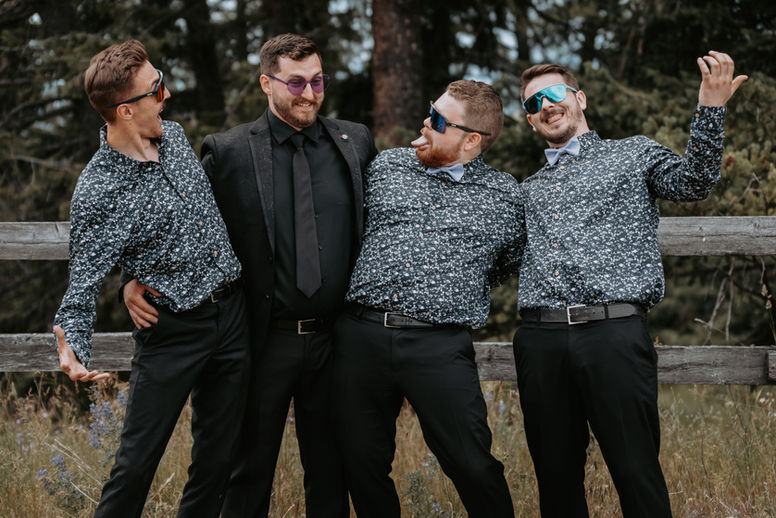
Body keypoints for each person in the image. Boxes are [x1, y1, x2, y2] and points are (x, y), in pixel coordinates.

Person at [122, 33, 376, 517]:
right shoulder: (230, 150)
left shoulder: (355, 141)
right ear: (266, 83)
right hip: (262, 340)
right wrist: (131, 276)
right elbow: (176, 217)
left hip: (335, 341)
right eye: (296, 83)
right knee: (248, 471)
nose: (310, 93)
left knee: (331, 471)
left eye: (318, 81)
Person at [513, 51, 747, 517]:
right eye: (533, 102)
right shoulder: (527, 189)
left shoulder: (632, 153)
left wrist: (710, 108)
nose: (546, 105)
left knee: (635, 471)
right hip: (540, 339)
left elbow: (694, 183)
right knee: (555, 478)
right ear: (532, 122)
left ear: (579, 98)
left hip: (612, 333)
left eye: (554, 93)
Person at [52, 39, 251, 518]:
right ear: (125, 110)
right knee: (136, 463)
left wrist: (131, 277)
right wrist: (72, 346)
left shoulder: (174, 137)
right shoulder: (99, 190)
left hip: (231, 317)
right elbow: (82, 284)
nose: (168, 95)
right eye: (157, 88)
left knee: (217, 459)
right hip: (171, 331)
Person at [334, 79, 523, 518]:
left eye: (439, 120)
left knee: (472, 463)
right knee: (361, 462)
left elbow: (506, 263)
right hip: (361, 335)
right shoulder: (386, 166)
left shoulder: (505, 197)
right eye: (430, 110)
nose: (426, 122)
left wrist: (452, 287)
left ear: (471, 141)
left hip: (438, 345)